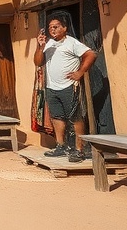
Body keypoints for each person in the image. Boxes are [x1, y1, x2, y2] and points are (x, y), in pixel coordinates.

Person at [33, 14, 97, 162]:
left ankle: (79, 149)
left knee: (75, 117)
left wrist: (80, 72)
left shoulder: (71, 43)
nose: (52, 30)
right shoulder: (48, 44)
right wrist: (40, 46)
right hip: (52, 87)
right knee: (56, 117)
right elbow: (37, 62)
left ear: (64, 28)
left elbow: (91, 54)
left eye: (55, 27)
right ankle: (61, 146)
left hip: (69, 86)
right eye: (50, 28)